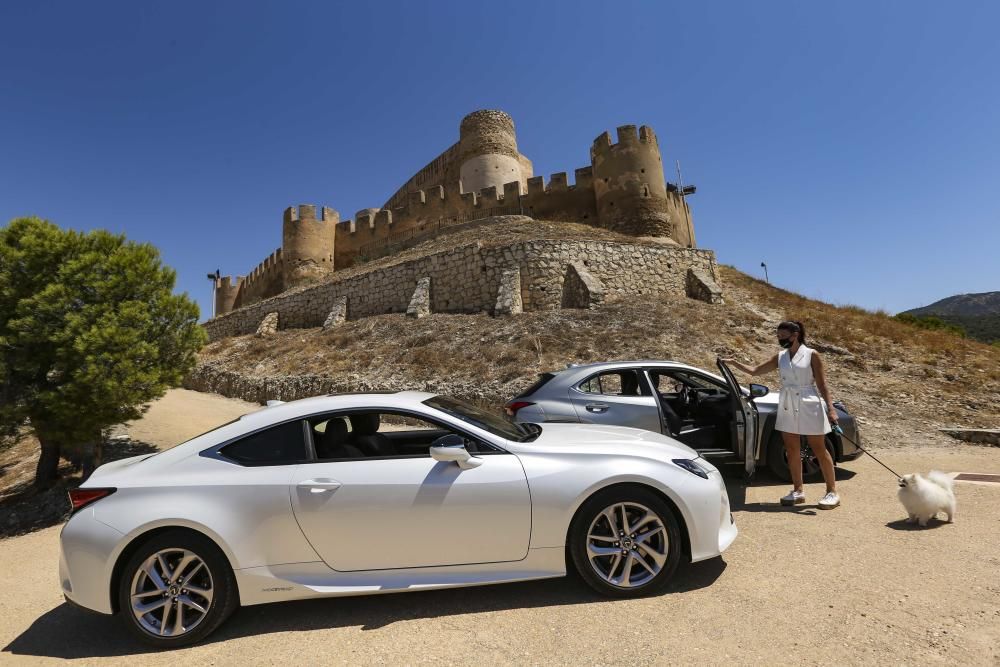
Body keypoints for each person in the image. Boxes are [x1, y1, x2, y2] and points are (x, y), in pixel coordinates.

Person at [723, 321, 841, 509]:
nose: (780, 339)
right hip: (787, 403)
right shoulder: (781, 357)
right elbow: (755, 371)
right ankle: (798, 490)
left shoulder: (812, 354)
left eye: (782, 336)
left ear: (795, 335)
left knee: (818, 448)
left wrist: (831, 408)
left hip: (809, 401)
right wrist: (734, 363)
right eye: (778, 336)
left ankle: (832, 491)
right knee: (791, 448)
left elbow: (822, 384)